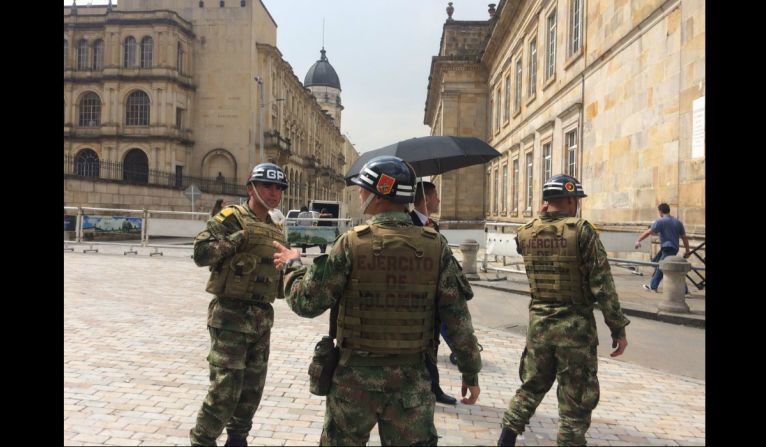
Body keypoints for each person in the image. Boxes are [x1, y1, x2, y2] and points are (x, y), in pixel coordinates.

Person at [273, 155, 482, 446]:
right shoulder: (436, 246)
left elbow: (307, 303)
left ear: (378, 194)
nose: (359, 194)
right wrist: (470, 371)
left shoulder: (350, 243)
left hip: (353, 383)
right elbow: (457, 317)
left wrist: (292, 266)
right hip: (412, 384)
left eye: (363, 189)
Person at [497, 174, 630, 446]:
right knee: (575, 400)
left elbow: (531, 242)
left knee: (531, 387)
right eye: (576, 200)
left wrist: (540, 219)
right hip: (575, 330)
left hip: (540, 326)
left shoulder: (526, 232)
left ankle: (505, 439)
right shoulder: (582, 231)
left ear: (546, 202)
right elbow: (603, 285)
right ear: (571, 200)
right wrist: (617, 327)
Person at [189, 162, 289, 447]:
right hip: (230, 316)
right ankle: (203, 440)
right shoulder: (232, 217)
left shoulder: (276, 227)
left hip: (261, 317)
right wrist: (238, 239)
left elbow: (278, 271)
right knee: (224, 390)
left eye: (278, 188)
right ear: (251, 188)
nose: (273, 194)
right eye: (268, 186)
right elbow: (201, 253)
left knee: (251, 391)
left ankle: (237, 439)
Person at [408, 180, 457, 405]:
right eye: (436, 196)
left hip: (434, 295)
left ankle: (433, 387)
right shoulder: (409, 223)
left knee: (433, 343)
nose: (439, 200)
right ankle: (423, 388)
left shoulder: (433, 224)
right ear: (426, 199)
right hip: (415, 296)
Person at [634, 203, 691, 292]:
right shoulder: (678, 222)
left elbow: (649, 232)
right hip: (674, 248)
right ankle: (684, 289)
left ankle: (653, 286)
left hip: (667, 248)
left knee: (662, 267)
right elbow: (684, 237)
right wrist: (687, 250)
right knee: (664, 265)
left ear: (660, 211)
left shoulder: (661, 221)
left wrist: (638, 240)